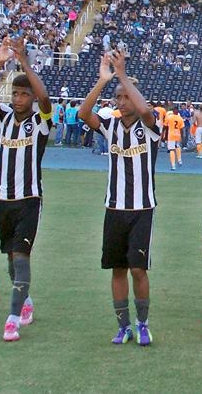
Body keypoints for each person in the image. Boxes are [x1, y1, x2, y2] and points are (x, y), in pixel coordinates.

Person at [78, 50, 161, 346]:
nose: (123, 102)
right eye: (119, 97)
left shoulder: (151, 128)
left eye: (127, 97)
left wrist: (123, 75)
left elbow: (148, 112)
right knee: (117, 269)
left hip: (141, 209)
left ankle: (142, 323)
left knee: (138, 268)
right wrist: (104, 80)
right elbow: (83, 115)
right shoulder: (110, 126)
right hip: (114, 208)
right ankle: (123, 325)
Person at [0, 37, 53, 342]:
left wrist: (24, 62)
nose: (19, 98)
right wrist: (0, 62)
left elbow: (46, 99)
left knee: (21, 256)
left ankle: (12, 319)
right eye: (16, 92)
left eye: (25, 94)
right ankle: (25, 302)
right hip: (2, 199)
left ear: (32, 97)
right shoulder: (4, 118)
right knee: (10, 256)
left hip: (28, 200)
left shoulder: (41, 122)